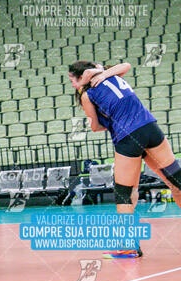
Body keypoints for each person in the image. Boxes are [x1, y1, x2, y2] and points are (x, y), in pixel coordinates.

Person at [70, 61, 181, 258]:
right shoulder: (114, 76)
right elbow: (126, 65)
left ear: (82, 76)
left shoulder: (87, 94)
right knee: (175, 181)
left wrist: (110, 122)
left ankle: (130, 246)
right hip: (150, 127)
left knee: (124, 193)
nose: (72, 85)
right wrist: (100, 72)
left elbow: (95, 126)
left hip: (128, 136)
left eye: (73, 80)